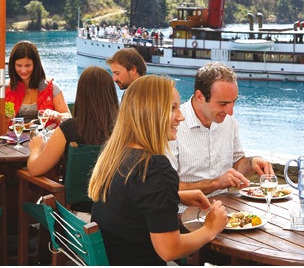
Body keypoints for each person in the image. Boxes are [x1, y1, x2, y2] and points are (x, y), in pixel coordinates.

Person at [88, 75, 228, 265]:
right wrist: (210, 228)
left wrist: (174, 195)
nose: (181, 116)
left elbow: (129, 200)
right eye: (172, 108)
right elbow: (170, 249)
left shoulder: (117, 155)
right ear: (149, 113)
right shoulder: (154, 168)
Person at [168, 62, 274, 198]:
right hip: (183, 215)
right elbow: (167, 187)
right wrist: (216, 183)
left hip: (225, 211)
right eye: (223, 104)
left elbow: (236, 164)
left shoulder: (228, 121)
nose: (230, 111)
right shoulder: (172, 125)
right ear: (200, 97)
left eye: (234, 102)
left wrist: (252, 162)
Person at [26, 66, 119, 211]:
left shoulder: (69, 129)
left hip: (78, 212)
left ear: (81, 94)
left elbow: (34, 169)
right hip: (117, 209)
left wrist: (36, 149)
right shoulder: (125, 128)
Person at [6, 41, 71, 126]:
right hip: (13, 137)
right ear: (13, 66)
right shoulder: (5, 88)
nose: (23, 70)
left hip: (47, 137)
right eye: (19, 66)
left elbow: (69, 118)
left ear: (35, 65)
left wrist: (57, 115)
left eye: (27, 66)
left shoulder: (51, 87)